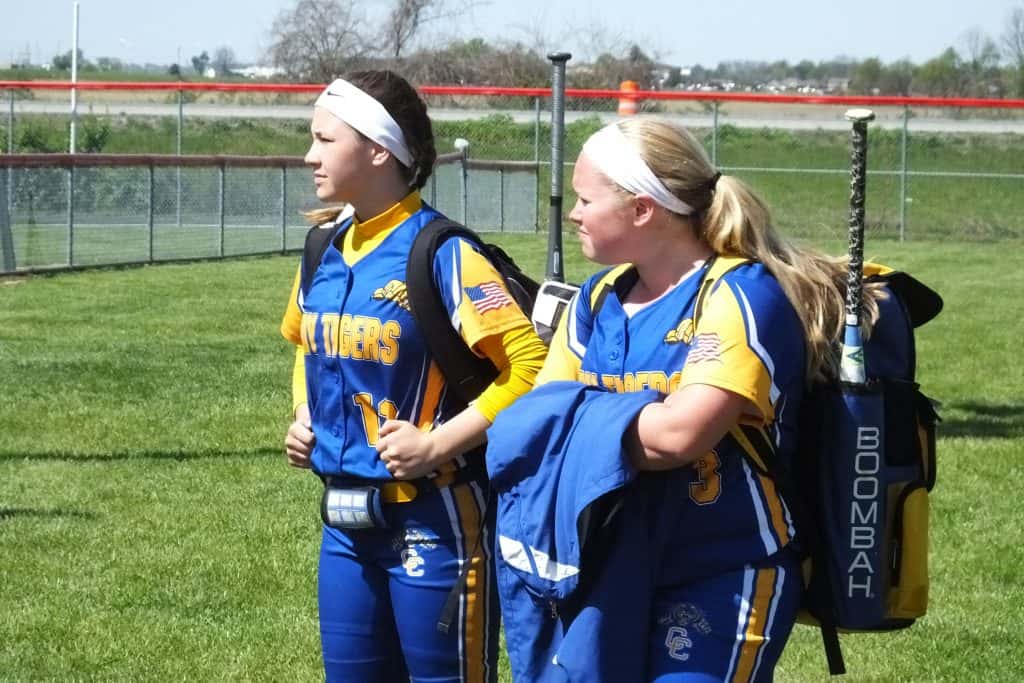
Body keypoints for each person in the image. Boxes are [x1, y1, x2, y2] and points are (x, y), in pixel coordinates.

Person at [531, 118, 885, 682]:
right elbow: (539, 421)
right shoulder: (598, 297)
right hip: (614, 565)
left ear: (642, 208)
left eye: (586, 200)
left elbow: (678, 438)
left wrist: (587, 426)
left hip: (722, 569)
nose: (573, 214)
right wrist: (619, 423)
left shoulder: (741, 294)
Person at [279, 70, 547, 683]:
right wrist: (305, 414)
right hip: (345, 525)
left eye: (325, 139)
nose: (310, 155)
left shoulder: (442, 253)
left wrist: (437, 444)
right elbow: (306, 344)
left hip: (436, 518)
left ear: (379, 150)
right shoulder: (323, 247)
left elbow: (531, 367)